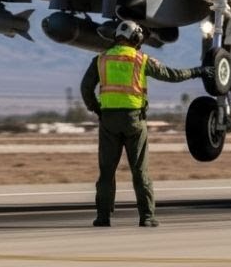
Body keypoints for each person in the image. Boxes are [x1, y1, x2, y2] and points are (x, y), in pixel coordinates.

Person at [80, 20, 211, 227]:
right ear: (136, 38)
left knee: (106, 172)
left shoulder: (101, 59)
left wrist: (97, 109)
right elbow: (172, 75)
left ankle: (103, 217)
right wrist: (198, 71)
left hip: (109, 122)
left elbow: (85, 88)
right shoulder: (141, 59)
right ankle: (147, 217)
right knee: (140, 171)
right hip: (134, 122)